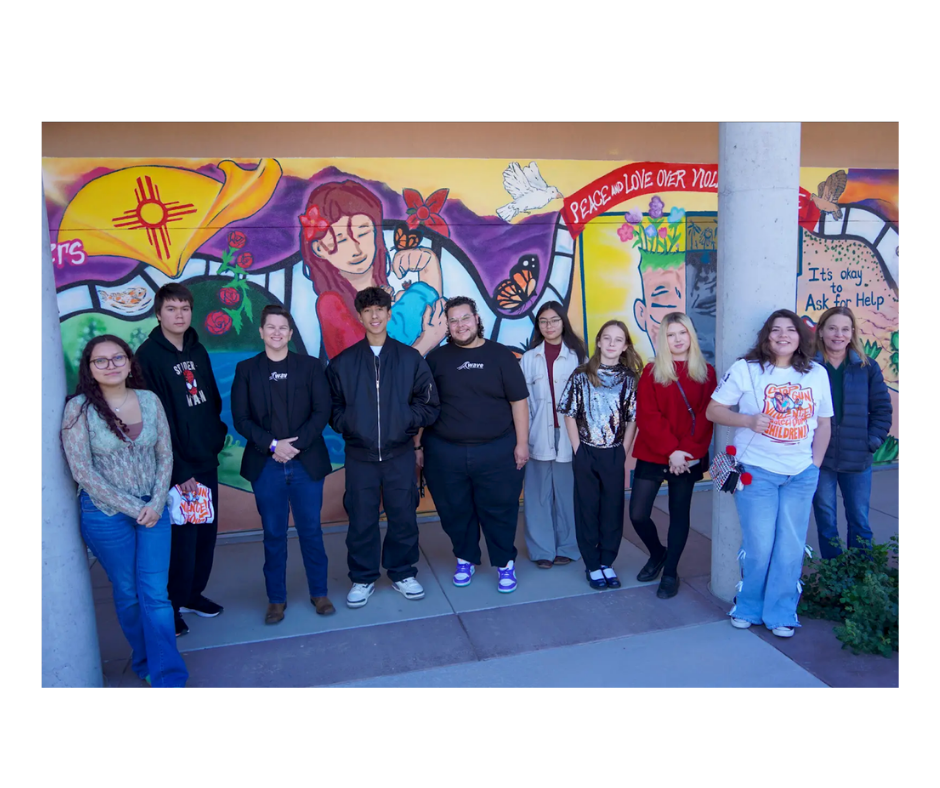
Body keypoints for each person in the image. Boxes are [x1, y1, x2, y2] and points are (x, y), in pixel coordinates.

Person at [61, 335, 188, 688]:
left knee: (155, 594)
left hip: (153, 509)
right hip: (105, 515)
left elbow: (166, 455)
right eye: (100, 360)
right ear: (89, 369)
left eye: (118, 357)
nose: (111, 365)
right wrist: (135, 507)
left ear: (130, 362)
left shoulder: (149, 400)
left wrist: (156, 500)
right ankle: (145, 658)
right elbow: (82, 471)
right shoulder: (79, 409)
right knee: (129, 593)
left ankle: (168, 677)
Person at [707, 309, 833, 639]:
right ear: (766, 336)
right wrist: (747, 421)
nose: (782, 336)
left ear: (800, 337)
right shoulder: (747, 370)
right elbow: (713, 409)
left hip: (800, 474)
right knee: (760, 545)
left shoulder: (816, 373)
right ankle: (747, 606)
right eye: (775, 330)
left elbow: (823, 423)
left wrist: (814, 465)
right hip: (757, 473)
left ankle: (781, 612)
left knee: (790, 547)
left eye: (790, 330)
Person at [327, 287, 441, 609]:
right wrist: (350, 424)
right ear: (360, 316)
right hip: (360, 456)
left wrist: (404, 420)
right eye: (368, 311)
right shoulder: (343, 363)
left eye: (380, 309)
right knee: (361, 518)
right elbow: (331, 407)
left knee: (403, 515)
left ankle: (403, 572)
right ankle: (363, 578)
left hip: (399, 454)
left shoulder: (409, 359)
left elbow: (429, 404)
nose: (374, 316)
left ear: (389, 314)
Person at [231, 306, 335, 625]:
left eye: (283, 328)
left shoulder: (311, 366)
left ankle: (319, 593)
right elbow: (241, 419)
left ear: (291, 334)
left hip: (306, 464)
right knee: (273, 534)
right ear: (261, 332)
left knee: (311, 532)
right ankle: (276, 599)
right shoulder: (246, 369)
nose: (277, 332)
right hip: (267, 465)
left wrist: (294, 446)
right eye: (271, 327)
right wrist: (275, 445)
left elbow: (322, 411)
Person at [135, 283, 228, 638]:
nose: (179, 315)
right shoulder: (147, 356)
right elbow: (155, 421)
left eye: (184, 309)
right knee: (182, 540)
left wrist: (215, 435)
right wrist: (180, 470)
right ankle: (172, 605)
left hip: (205, 458)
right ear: (158, 313)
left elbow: (211, 398)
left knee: (206, 533)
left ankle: (192, 595)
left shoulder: (196, 348)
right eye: (171, 309)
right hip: (179, 469)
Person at [422, 296, 530, 594]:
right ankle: (465, 558)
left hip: (497, 450)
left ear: (476, 318)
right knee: (454, 510)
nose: (460, 325)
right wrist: (419, 447)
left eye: (464, 318)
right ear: (447, 325)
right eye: (453, 320)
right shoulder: (436, 359)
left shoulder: (501, 356)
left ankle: (504, 564)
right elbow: (423, 405)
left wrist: (522, 444)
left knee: (500, 509)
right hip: (446, 451)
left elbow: (519, 402)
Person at [299, 180, 448, 359]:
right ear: (319, 249)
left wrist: (429, 266)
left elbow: (431, 314)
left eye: (363, 233)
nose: (357, 249)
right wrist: (427, 341)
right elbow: (368, 367)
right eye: (341, 240)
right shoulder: (331, 303)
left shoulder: (390, 287)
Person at [630, 313, 717, 599]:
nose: (678, 339)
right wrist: (671, 450)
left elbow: (706, 417)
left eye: (683, 333)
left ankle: (670, 573)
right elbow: (648, 415)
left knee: (680, 515)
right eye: (671, 334)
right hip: (656, 452)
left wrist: (685, 452)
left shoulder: (707, 373)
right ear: (663, 339)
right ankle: (658, 553)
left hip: (689, 457)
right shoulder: (652, 372)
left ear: (691, 335)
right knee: (638, 513)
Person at [558, 320, 642, 591]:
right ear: (598, 341)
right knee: (587, 508)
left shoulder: (629, 378)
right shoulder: (582, 374)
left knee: (612, 509)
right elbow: (569, 413)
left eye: (618, 340)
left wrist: (624, 451)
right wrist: (578, 449)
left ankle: (607, 561)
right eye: (606, 338)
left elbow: (632, 419)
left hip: (614, 453)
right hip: (586, 451)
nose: (611, 344)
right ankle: (592, 564)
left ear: (625, 346)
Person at [812, 306, 893, 559]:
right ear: (822, 331)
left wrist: (871, 442)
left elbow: (882, 409)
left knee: (859, 521)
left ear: (852, 332)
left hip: (857, 458)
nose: (839, 334)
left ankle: (860, 581)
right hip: (820, 458)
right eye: (833, 328)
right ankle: (834, 580)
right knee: (826, 523)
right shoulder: (809, 366)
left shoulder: (866, 367)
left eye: (845, 329)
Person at [521, 301, 586, 569]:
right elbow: (522, 403)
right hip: (538, 434)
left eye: (554, 320)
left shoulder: (578, 356)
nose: (549, 326)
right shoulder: (529, 358)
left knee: (568, 493)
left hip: (571, 436)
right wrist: (522, 439)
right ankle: (542, 551)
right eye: (543, 321)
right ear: (538, 326)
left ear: (563, 322)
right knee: (537, 496)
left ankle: (568, 547)